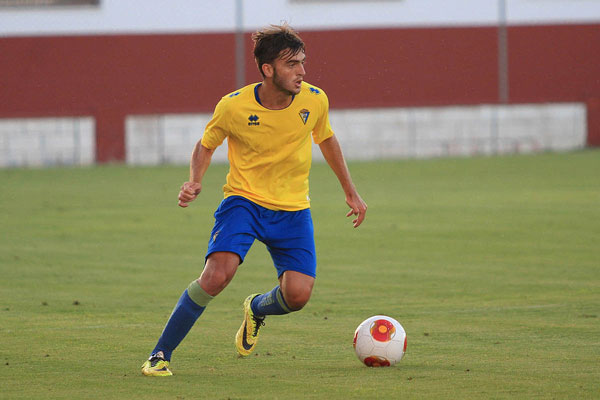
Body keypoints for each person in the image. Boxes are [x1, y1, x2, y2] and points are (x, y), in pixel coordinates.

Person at [142, 23, 367, 376]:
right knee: (217, 275)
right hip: (243, 203)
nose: (302, 71)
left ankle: (257, 308)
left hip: (293, 210)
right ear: (268, 69)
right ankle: (159, 355)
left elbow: (326, 139)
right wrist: (194, 181)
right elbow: (206, 145)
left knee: (298, 296)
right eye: (292, 64)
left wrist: (350, 191)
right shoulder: (233, 106)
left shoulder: (315, 99)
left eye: (302, 62)